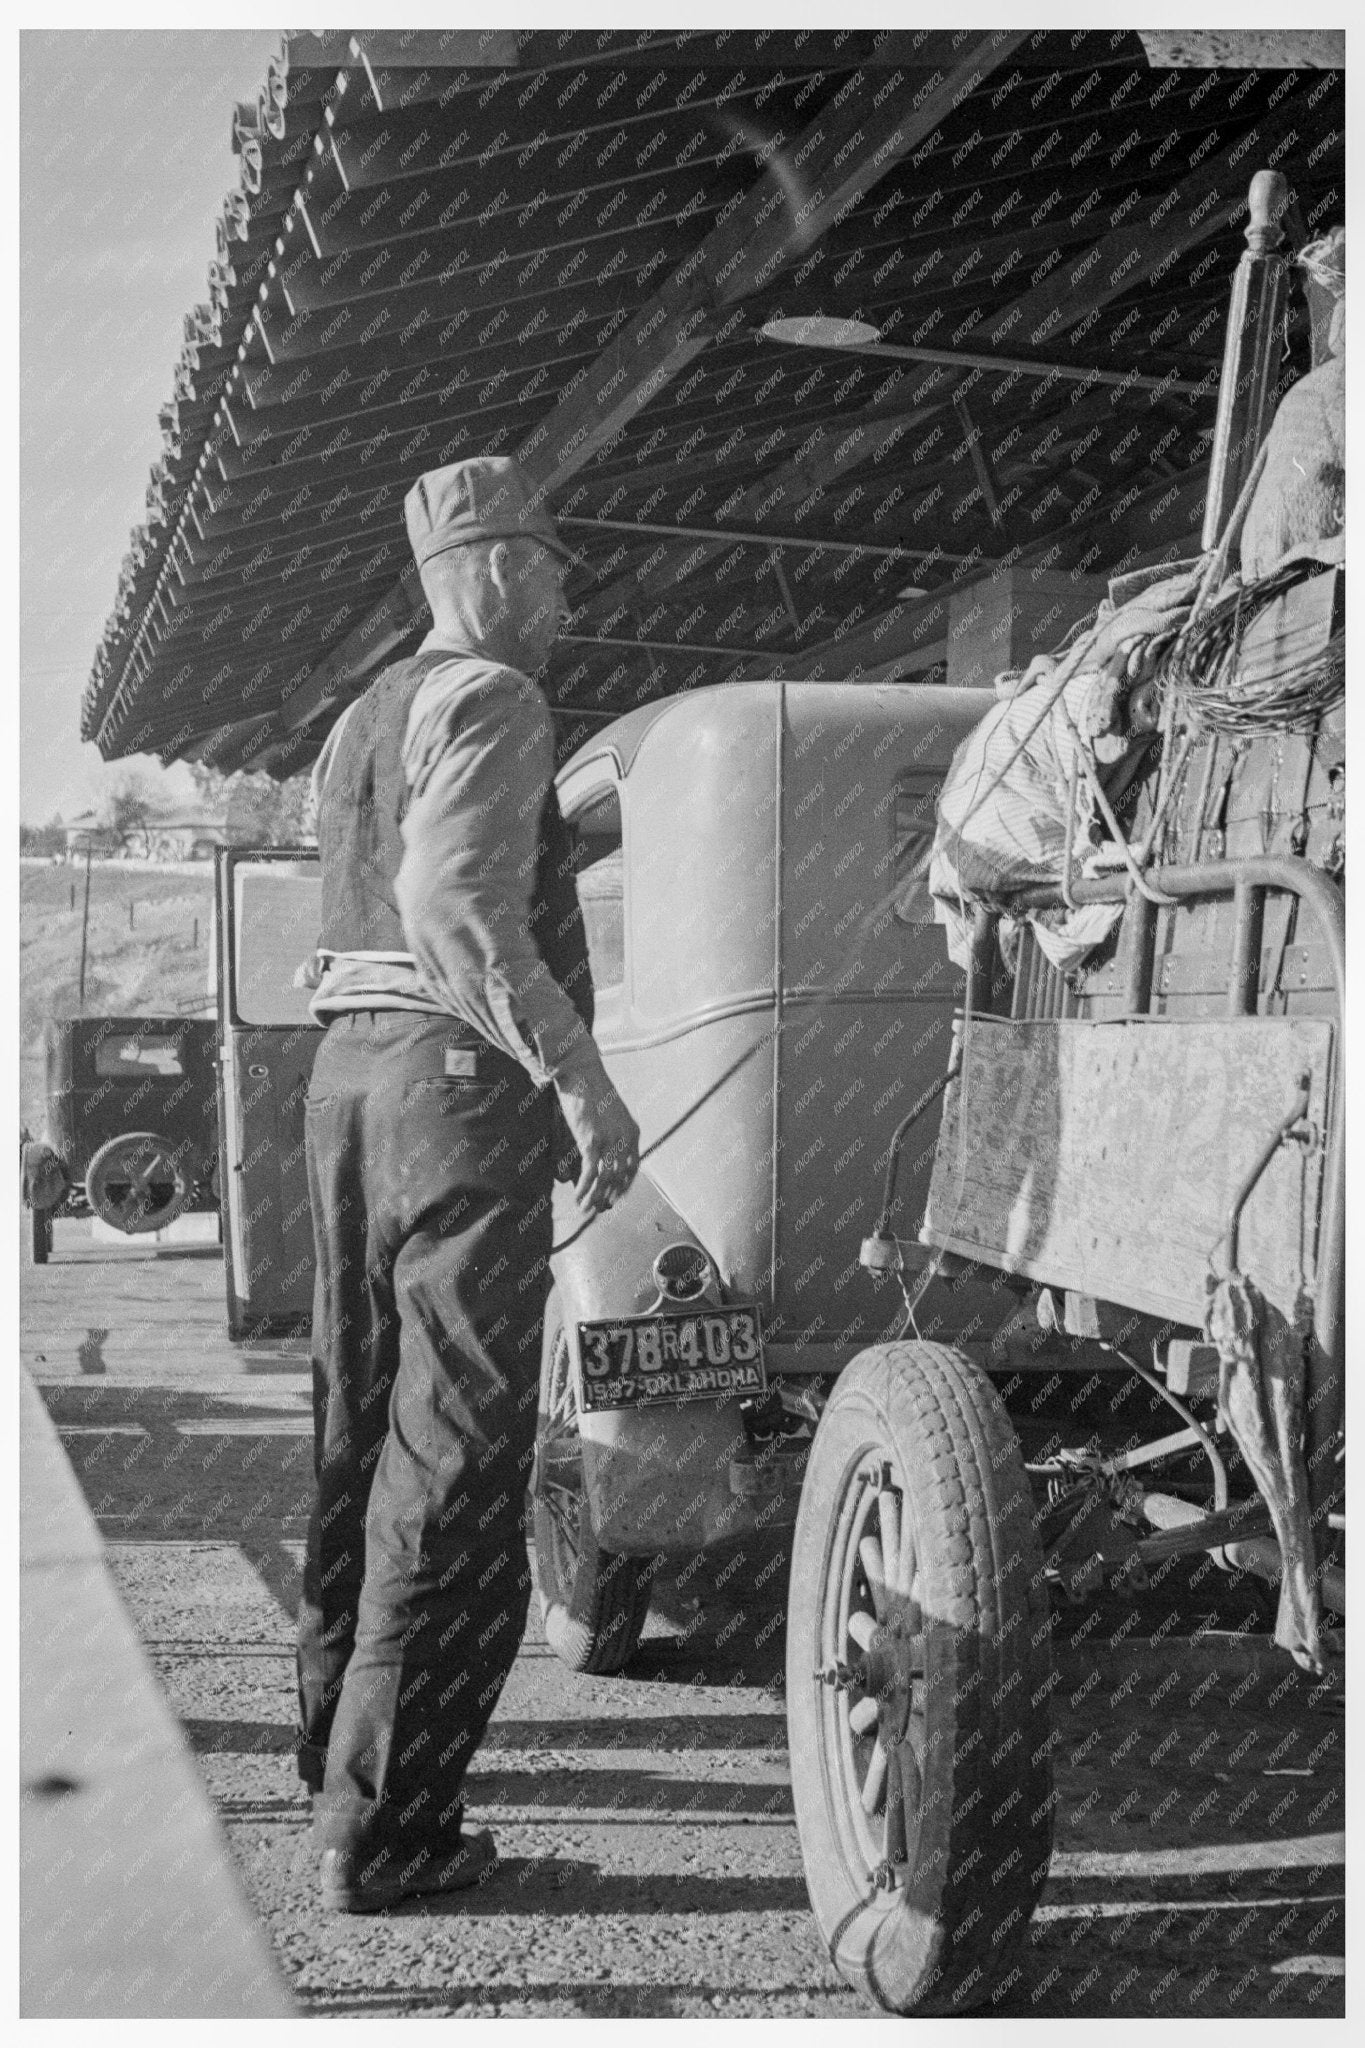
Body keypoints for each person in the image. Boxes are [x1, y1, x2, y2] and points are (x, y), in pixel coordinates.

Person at [297, 455, 640, 1912]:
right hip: (452, 1093)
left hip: (345, 1086)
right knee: (455, 1461)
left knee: (357, 1427)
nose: (562, 598)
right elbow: (457, 907)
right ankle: (393, 1834)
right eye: (553, 568)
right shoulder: (492, 696)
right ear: (491, 566)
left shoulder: (352, 720)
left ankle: (332, 1766)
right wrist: (581, 1082)